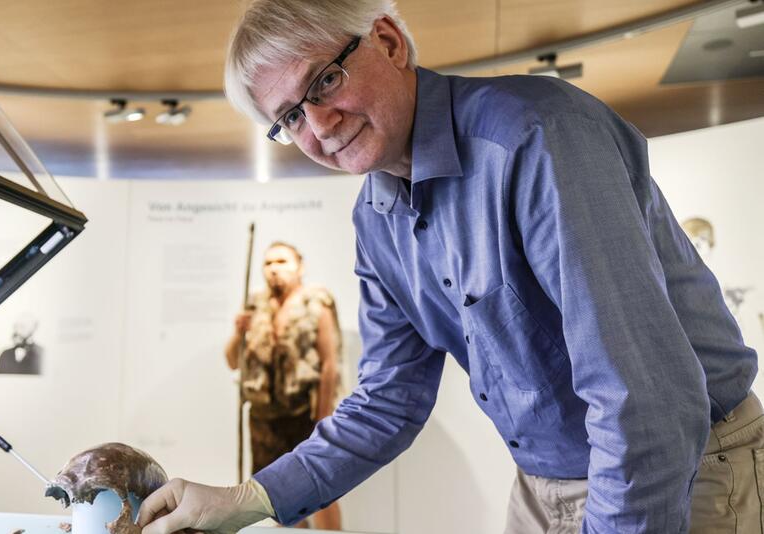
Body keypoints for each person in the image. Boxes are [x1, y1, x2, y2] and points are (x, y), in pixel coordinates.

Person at [138, 1, 760, 533]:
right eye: (290, 117)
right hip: (543, 484)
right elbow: (389, 398)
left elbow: (643, 397)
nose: (319, 127)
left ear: (388, 41)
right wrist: (247, 500)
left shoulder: (536, 137)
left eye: (324, 82)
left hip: (685, 466)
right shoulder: (376, 218)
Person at [224, 241, 342, 529]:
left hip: (304, 415)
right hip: (264, 420)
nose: (274, 269)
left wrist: (322, 418)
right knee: (276, 494)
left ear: (299, 266)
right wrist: (238, 333)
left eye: (282, 261)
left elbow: (329, 364)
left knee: (321, 487)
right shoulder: (255, 305)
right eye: (268, 263)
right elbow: (232, 361)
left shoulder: (316, 303)